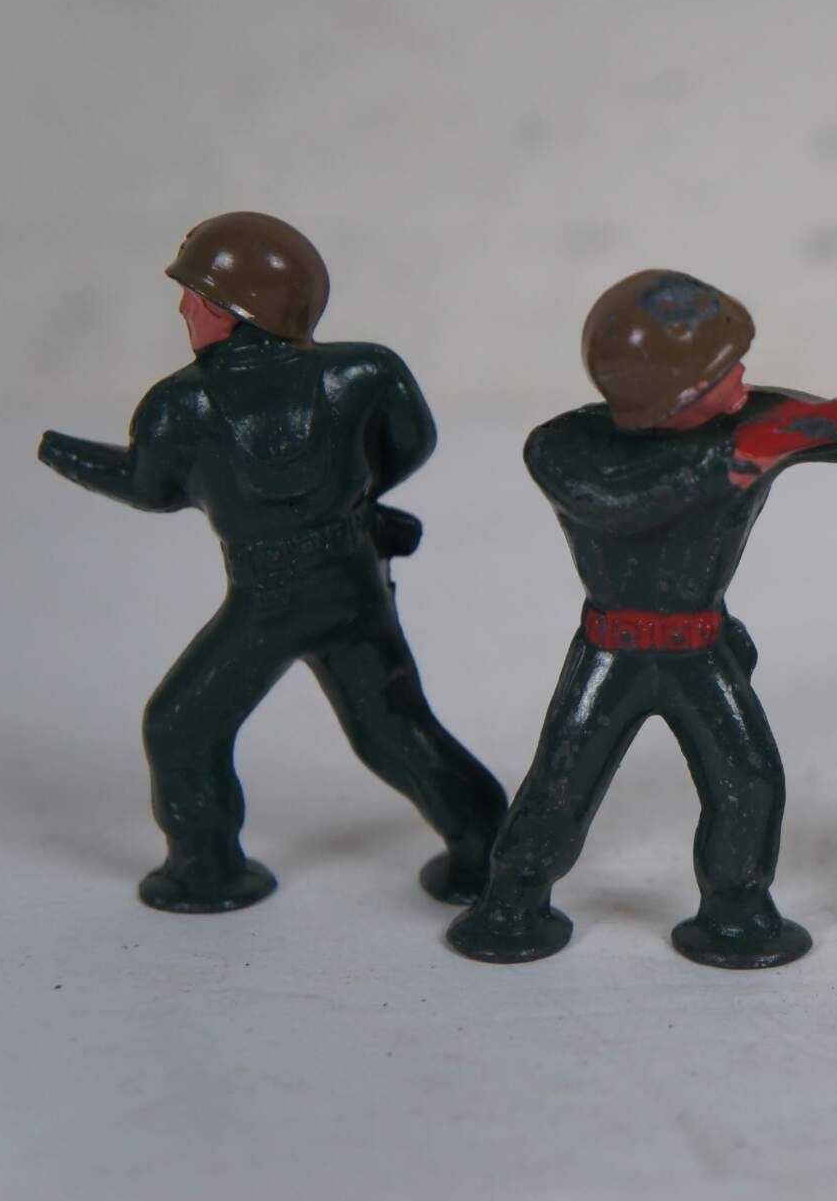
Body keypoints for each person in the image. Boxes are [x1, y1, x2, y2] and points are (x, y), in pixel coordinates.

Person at [446, 269, 837, 968]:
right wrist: (725, 467)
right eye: (721, 373)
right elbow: (621, 507)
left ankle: (735, 912)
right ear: (671, 394)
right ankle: (512, 902)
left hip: (702, 648)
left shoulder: (752, 424)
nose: (742, 378)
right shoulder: (566, 447)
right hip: (611, 652)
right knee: (561, 785)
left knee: (750, 780)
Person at [37, 211, 507, 913]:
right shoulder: (366, 371)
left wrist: (62, 453)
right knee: (392, 728)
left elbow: (150, 487)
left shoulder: (180, 405)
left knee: (181, 725)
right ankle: (491, 850)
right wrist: (349, 501)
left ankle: (205, 869)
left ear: (234, 310)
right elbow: (413, 443)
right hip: (352, 581)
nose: (183, 309)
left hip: (268, 598)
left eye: (195, 296)